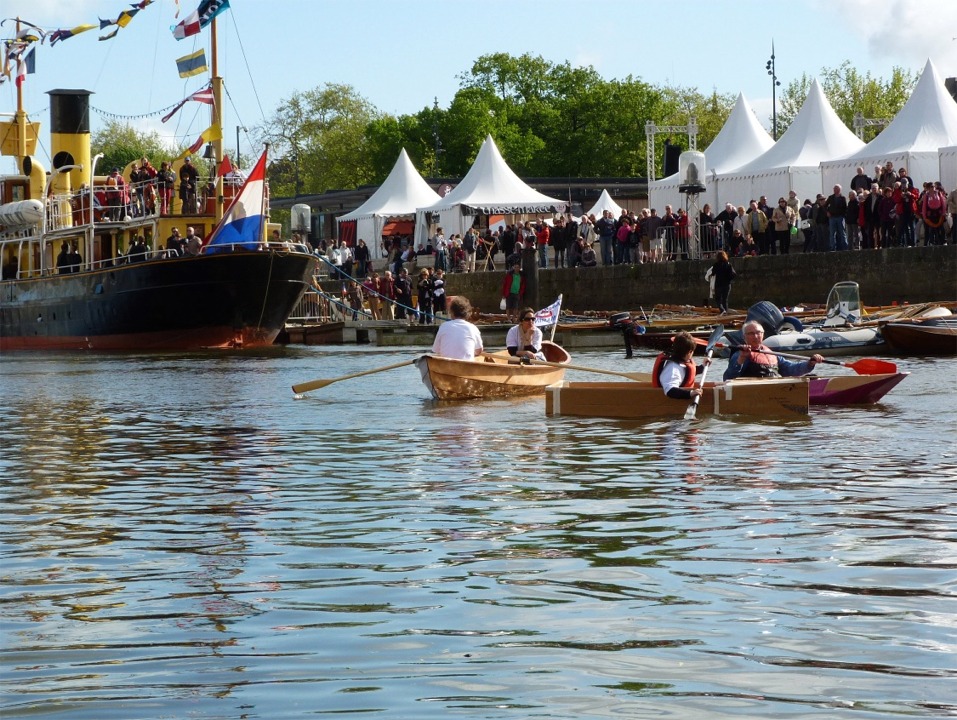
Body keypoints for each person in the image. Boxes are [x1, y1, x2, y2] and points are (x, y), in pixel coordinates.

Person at [723, 320, 824, 380]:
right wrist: (741, 358)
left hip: (776, 386)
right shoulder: (740, 355)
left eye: (758, 333)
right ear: (744, 337)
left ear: (763, 334)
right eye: (751, 333)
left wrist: (810, 363)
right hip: (756, 392)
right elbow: (728, 378)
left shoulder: (770, 353)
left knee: (813, 377)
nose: (755, 336)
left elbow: (790, 369)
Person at [652, 331, 709, 400]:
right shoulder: (673, 369)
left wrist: (703, 366)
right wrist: (690, 393)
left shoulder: (680, 365)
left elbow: (687, 373)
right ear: (689, 352)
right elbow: (670, 391)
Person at [431, 295, 484, 360]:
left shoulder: (443, 326)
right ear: (467, 313)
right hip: (466, 366)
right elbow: (479, 351)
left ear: (452, 312)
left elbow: (436, 350)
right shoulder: (473, 328)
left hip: (446, 365)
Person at [709, 250, 736, 315]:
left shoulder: (716, 265)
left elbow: (712, 273)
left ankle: (722, 310)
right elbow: (734, 274)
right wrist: (728, 279)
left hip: (718, 285)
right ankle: (725, 313)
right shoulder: (728, 264)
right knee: (725, 300)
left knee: (718, 299)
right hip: (727, 285)